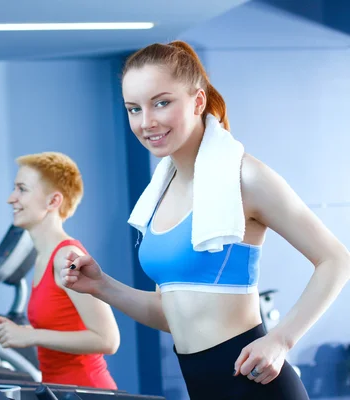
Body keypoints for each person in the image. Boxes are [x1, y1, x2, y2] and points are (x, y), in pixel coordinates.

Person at [61, 41, 350, 399]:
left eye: (161, 103)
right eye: (134, 109)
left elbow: (336, 260)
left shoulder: (245, 179)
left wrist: (281, 340)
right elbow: (172, 315)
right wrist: (102, 286)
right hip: (200, 385)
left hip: (254, 384)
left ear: (198, 102)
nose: (146, 121)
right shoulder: (160, 191)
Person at [0, 152, 120, 389]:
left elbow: (108, 339)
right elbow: (63, 328)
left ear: (53, 201)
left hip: (87, 391)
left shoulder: (67, 257)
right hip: (58, 390)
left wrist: (31, 336)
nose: (11, 198)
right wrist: (18, 331)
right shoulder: (44, 258)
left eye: (22, 189)